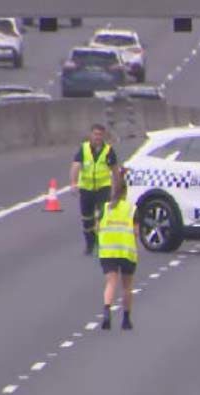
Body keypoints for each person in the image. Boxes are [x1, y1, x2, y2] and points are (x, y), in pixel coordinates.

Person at [96, 170, 138, 330]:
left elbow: (98, 227)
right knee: (127, 286)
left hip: (108, 252)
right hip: (126, 252)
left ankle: (107, 309)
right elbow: (135, 232)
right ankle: (126, 320)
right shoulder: (131, 209)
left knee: (110, 283)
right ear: (125, 192)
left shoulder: (105, 208)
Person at [70, 124, 119, 255]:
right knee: (87, 220)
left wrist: (116, 190)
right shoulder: (84, 148)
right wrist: (74, 183)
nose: (97, 137)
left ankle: (102, 243)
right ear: (91, 135)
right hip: (86, 189)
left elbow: (115, 171)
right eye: (95, 134)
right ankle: (89, 243)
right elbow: (76, 165)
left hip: (103, 188)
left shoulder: (108, 150)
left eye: (100, 134)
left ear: (103, 136)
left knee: (102, 217)